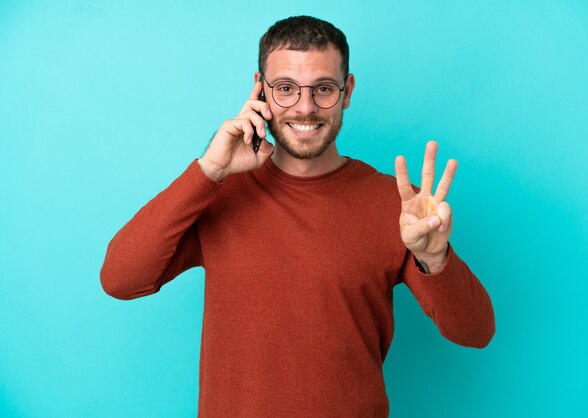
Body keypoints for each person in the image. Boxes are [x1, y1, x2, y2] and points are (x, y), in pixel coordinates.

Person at [100, 15, 495, 418]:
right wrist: (208, 170)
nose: (305, 109)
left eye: (323, 89)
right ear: (260, 90)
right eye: (286, 89)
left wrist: (435, 258)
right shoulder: (219, 193)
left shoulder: (396, 205)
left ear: (347, 91)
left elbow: (476, 332)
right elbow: (120, 279)